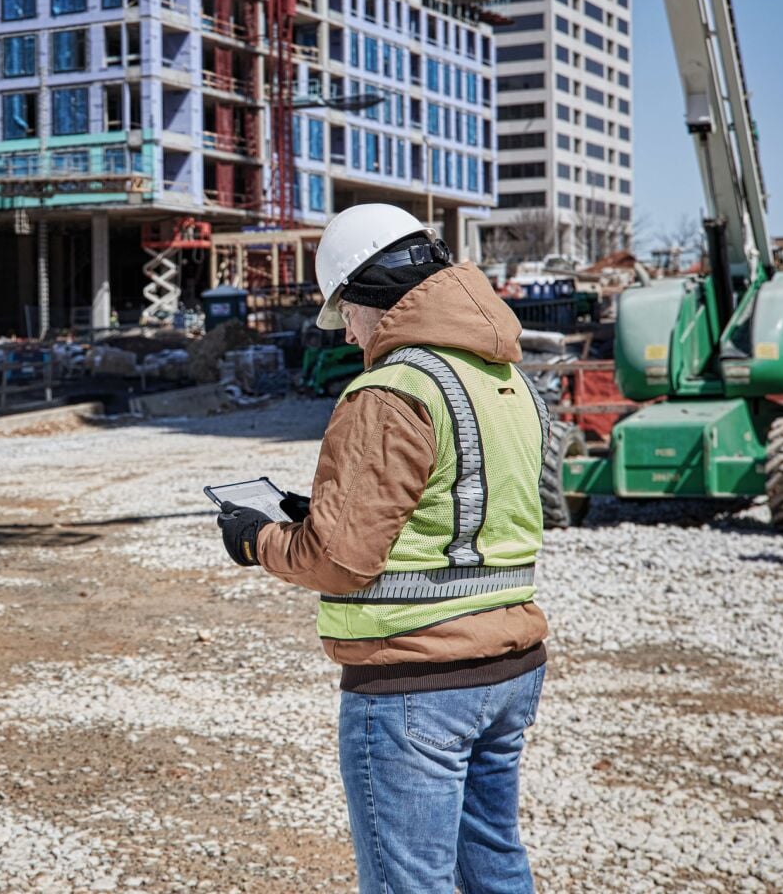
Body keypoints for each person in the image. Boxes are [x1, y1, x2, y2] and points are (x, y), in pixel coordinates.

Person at [216, 203, 549, 893]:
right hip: (509, 665)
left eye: (346, 314)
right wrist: (329, 514)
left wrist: (257, 540)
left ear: (368, 298)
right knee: (495, 867)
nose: (350, 331)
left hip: (415, 681)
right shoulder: (505, 380)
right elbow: (459, 506)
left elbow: (339, 559)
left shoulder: (393, 389)